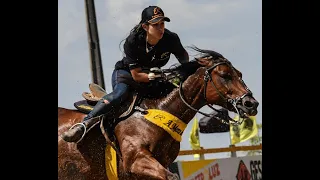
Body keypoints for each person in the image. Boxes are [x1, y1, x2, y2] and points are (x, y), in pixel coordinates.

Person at [61, 5, 202, 143]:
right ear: (145, 27)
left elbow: (184, 60)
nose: (161, 28)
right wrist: (151, 76)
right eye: (156, 25)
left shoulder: (171, 38)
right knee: (119, 94)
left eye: (162, 24)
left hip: (153, 79)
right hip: (127, 75)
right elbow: (137, 76)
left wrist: (185, 72)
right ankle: (83, 125)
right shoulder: (132, 42)